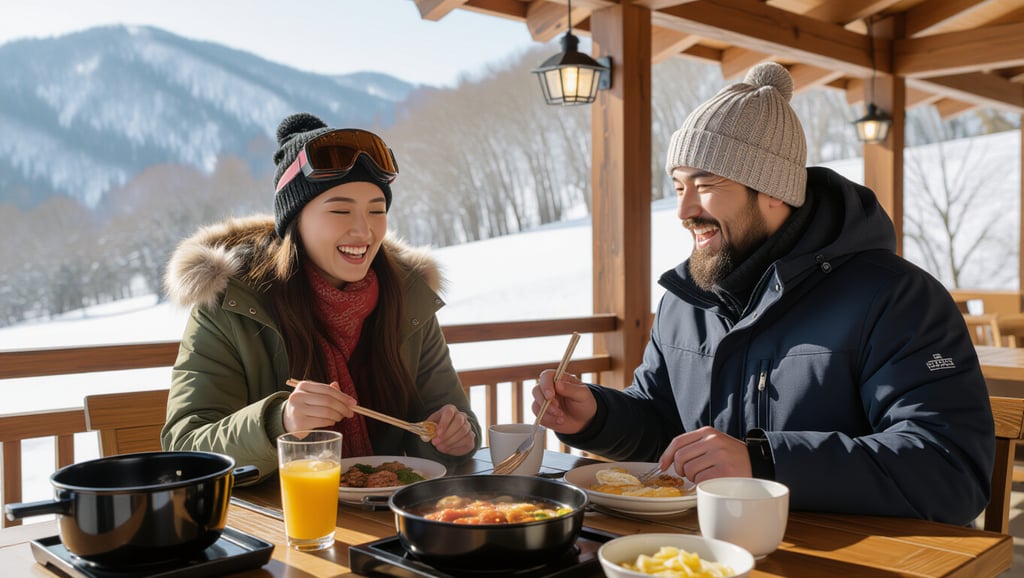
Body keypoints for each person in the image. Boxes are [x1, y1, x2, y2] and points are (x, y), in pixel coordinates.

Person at [531, 62, 994, 526]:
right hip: (707, 551)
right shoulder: (687, 300)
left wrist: (766, 464)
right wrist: (596, 417)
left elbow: (950, 469)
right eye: (678, 186)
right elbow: (664, 428)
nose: (684, 210)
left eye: (706, 185)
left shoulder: (897, 298)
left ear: (774, 191)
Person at [162, 112, 480, 480]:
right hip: (284, 521)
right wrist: (280, 421)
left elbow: (454, 419)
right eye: (341, 210)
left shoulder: (408, 299)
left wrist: (452, 436)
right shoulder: (232, 304)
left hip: (392, 512)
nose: (364, 230)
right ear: (295, 222)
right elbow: (185, 448)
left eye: (377, 210)